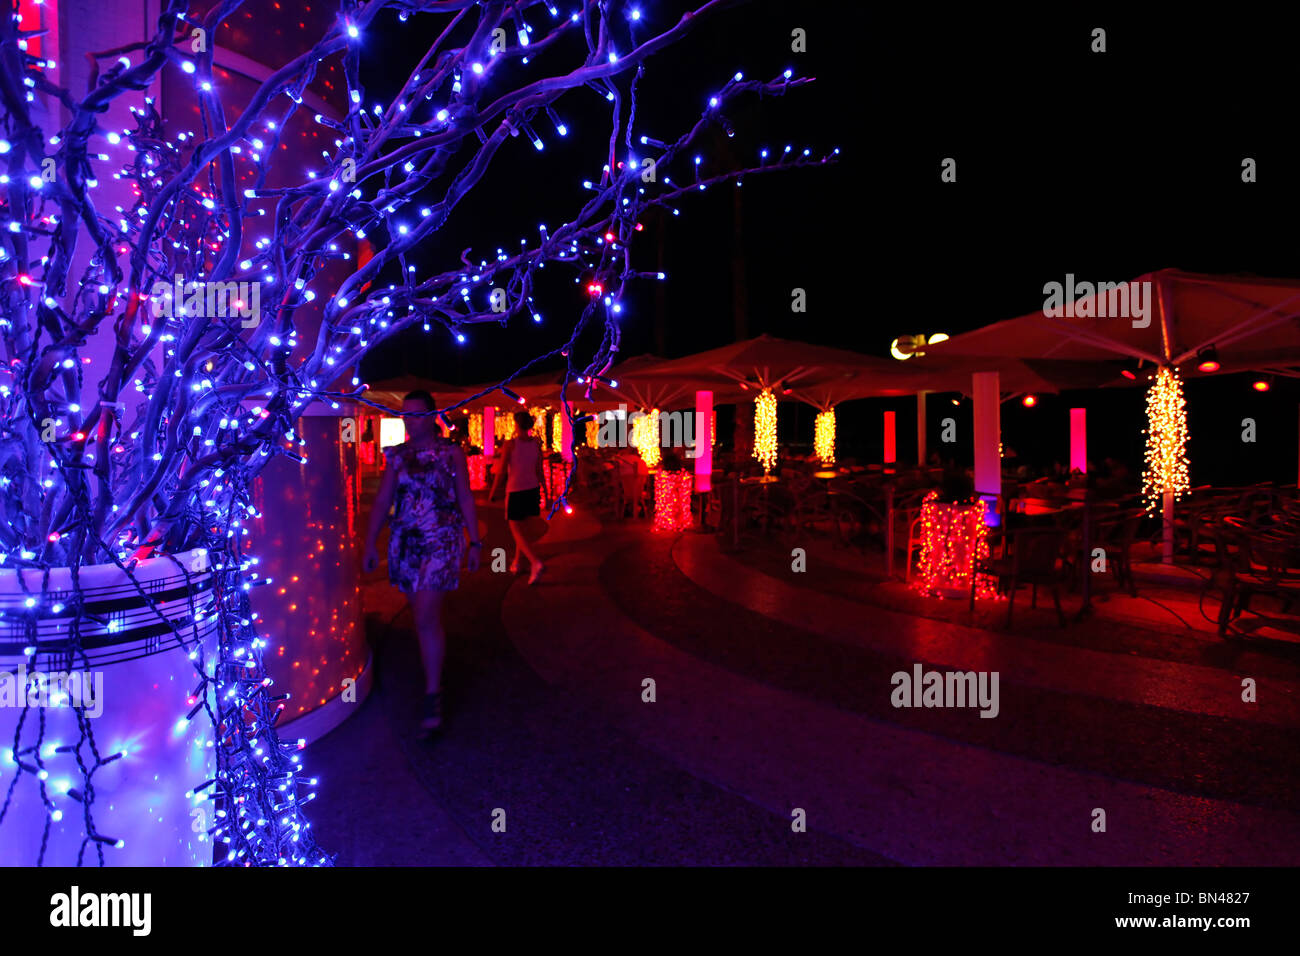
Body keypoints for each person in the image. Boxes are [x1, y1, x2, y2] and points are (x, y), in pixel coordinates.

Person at [363, 390, 481, 732]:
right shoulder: (397, 456)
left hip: (441, 539)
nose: (411, 420)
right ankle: (432, 671)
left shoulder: (450, 453)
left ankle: (433, 692)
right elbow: (385, 498)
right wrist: (371, 541)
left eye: (417, 414)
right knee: (422, 616)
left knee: (427, 614)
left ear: (432, 416)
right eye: (406, 414)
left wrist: (476, 540)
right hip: (406, 541)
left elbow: (465, 495)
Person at [489, 410, 549, 584]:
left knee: (515, 530)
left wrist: (493, 492)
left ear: (516, 424)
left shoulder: (510, 445)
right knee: (523, 529)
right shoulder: (536, 444)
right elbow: (539, 471)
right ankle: (518, 562)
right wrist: (546, 491)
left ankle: (534, 562)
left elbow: (500, 472)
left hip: (516, 490)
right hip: (532, 489)